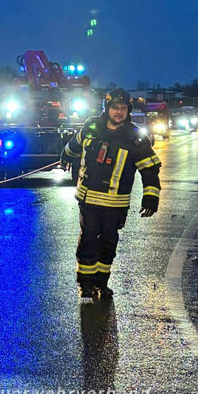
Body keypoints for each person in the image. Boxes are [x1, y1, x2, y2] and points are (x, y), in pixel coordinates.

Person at [61, 88, 161, 299]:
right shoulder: (92, 126)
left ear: (128, 111)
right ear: (107, 109)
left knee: (108, 242)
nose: (119, 112)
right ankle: (86, 284)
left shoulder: (135, 137)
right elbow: (75, 144)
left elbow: (149, 170)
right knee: (88, 239)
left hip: (116, 204)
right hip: (89, 198)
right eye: (115, 108)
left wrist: (151, 196)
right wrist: (66, 156)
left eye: (123, 108)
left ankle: (101, 283)